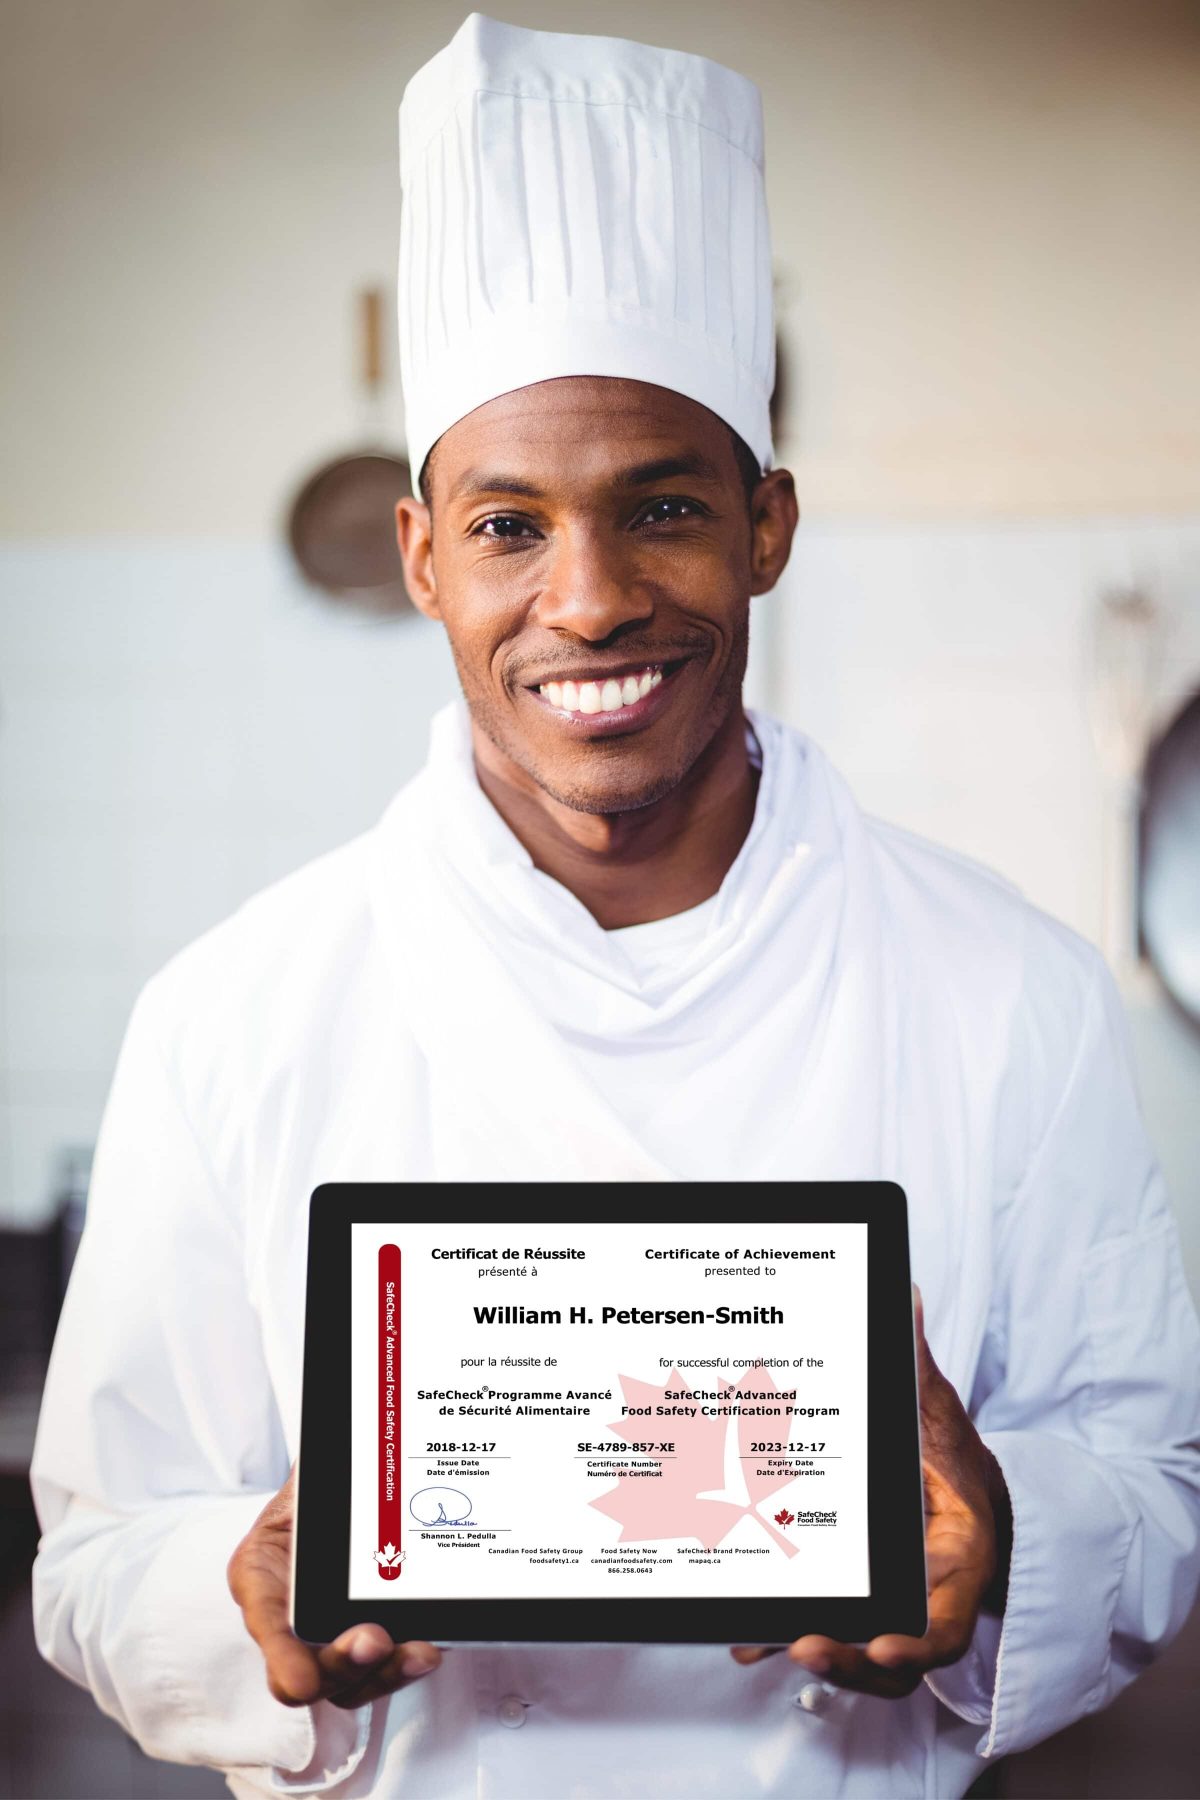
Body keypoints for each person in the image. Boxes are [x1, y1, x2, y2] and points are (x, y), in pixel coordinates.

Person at [30, 13, 1200, 1800]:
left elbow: (1158, 1478)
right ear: (423, 555)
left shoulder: (1005, 990)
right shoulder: (237, 1012)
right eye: (509, 526)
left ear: (768, 528)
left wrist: (1007, 1535)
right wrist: (232, 1589)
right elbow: (102, 1549)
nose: (589, 601)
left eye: (661, 506)